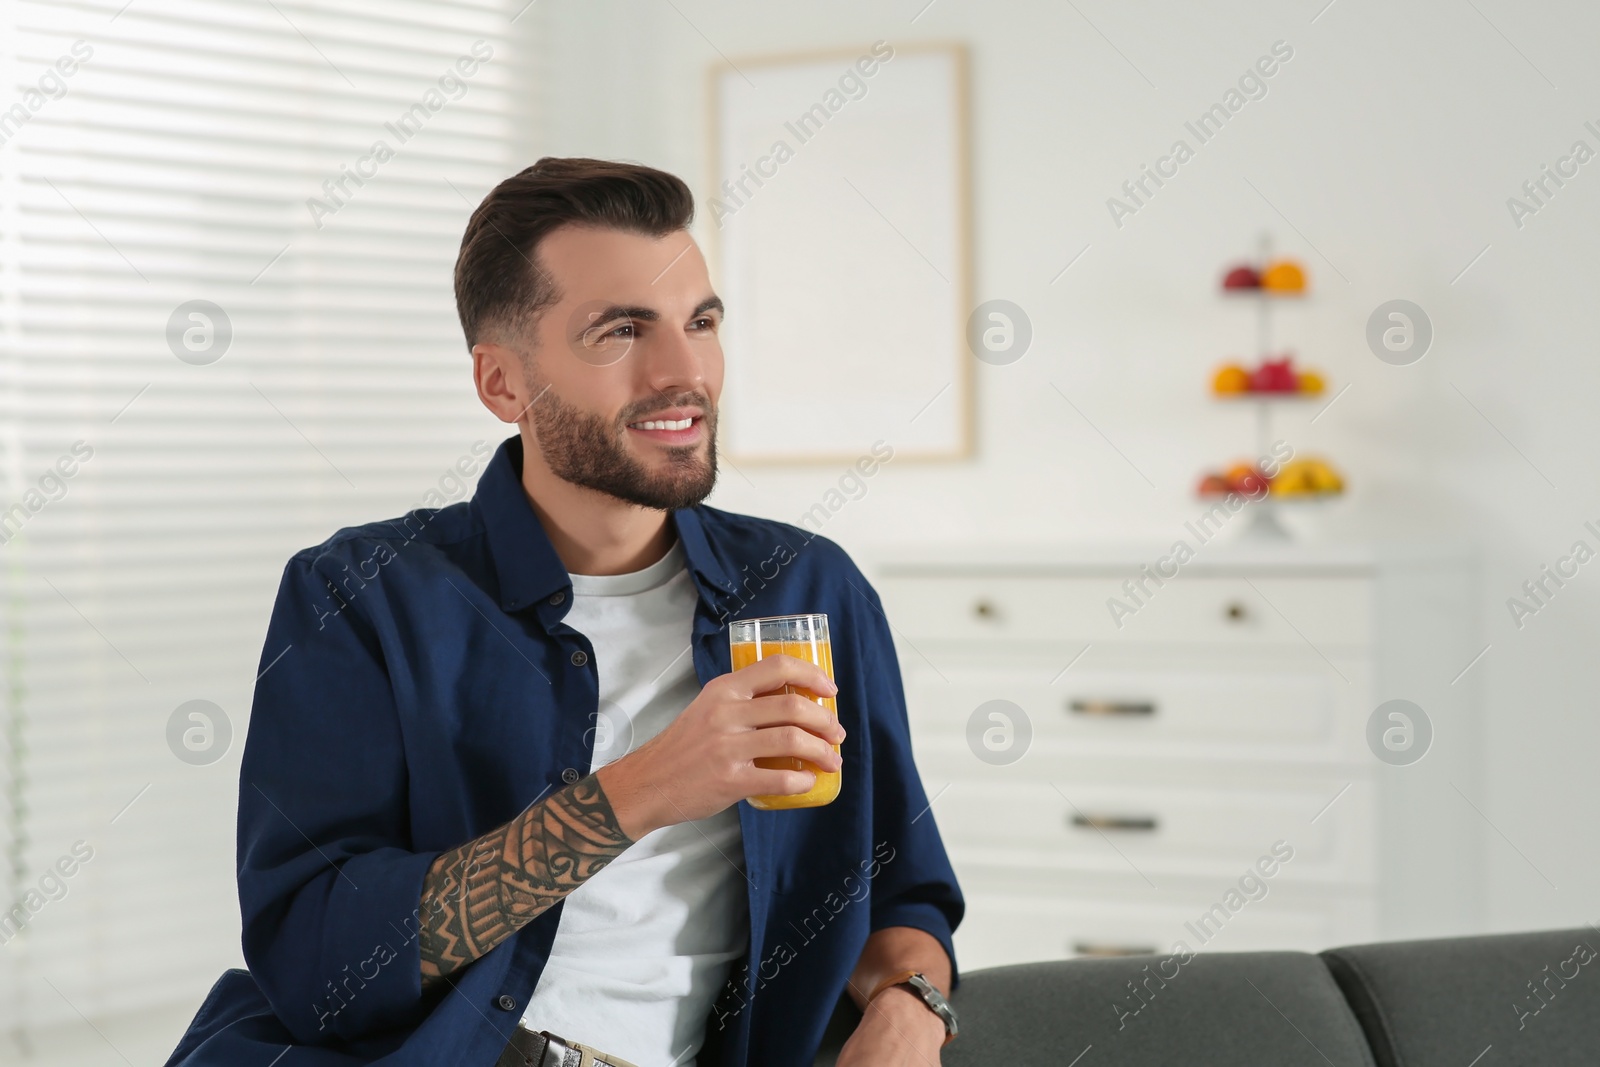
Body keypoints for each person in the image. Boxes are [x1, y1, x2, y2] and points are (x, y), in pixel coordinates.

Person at [164, 157, 963, 1067]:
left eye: (700, 322)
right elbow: (318, 959)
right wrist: (644, 788)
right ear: (503, 385)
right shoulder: (362, 594)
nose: (683, 371)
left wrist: (912, 1008)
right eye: (620, 331)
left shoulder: (806, 590)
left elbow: (900, 889)